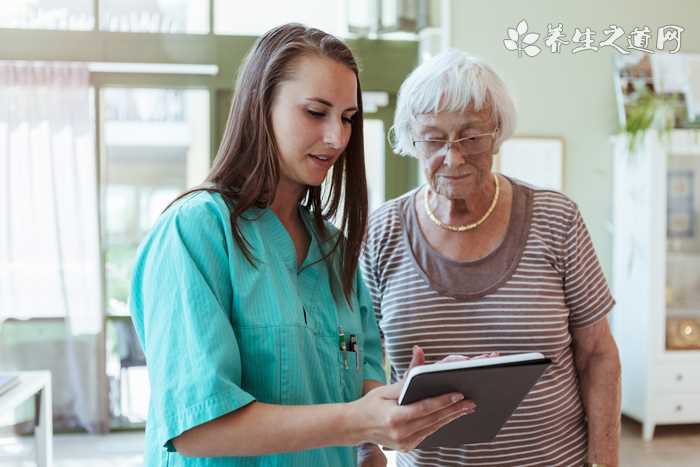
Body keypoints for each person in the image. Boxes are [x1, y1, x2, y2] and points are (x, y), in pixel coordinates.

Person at [129, 25, 475, 467]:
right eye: (316, 112)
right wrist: (358, 423)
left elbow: (360, 392)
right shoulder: (194, 232)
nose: (337, 137)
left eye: (348, 118)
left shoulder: (334, 250)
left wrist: (413, 400)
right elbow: (197, 427)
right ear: (261, 107)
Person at [361, 49, 622, 467]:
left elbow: (598, 354)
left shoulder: (557, 219)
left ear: (497, 132)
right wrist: (370, 445)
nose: (454, 157)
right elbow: (362, 358)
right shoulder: (384, 230)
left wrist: (606, 462)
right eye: (433, 138)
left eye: (471, 136)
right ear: (412, 139)